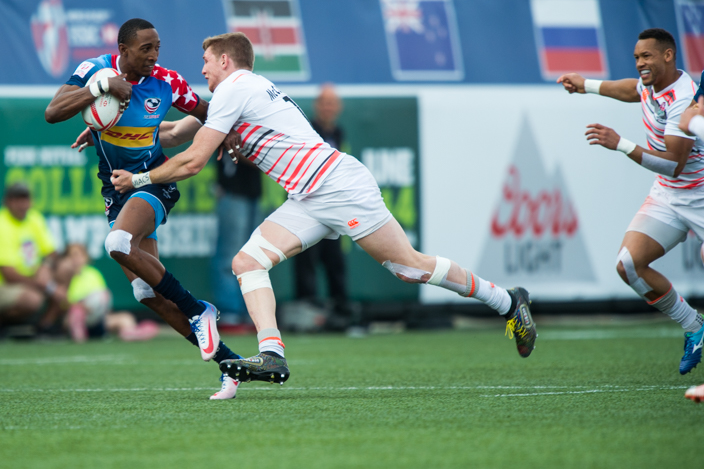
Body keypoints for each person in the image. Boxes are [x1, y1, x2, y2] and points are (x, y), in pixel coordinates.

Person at [110, 32, 536, 385]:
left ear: (225, 60)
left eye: (205, 61)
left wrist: (139, 180)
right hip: (309, 197)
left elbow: (192, 160)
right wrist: (105, 131)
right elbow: (168, 134)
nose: (200, 70)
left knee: (409, 268)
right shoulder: (235, 93)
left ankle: (506, 299)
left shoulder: (236, 87)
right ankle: (272, 355)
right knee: (247, 263)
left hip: (338, 187)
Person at [45, 18, 244, 399]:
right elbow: (53, 112)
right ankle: (229, 365)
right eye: (145, 49)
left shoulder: (166, 82)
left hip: (153, 181)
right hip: (116, 188)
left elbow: (205, 110)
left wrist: (228, 133)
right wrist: (99, 88)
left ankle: (199, 310)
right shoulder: (95, 70)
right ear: (122, 51)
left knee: (118, 242)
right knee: (147, 293)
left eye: (157, 48)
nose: (153, 56)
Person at [558, 28, 704, 375]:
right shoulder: (651, 84)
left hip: (699, 194)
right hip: (668, 194)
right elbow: (631, 89)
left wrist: (620, 143)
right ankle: (695, 327)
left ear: (668, 55)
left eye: (647, 57)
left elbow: (673, 162)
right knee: (628, 265)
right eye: (637, 57)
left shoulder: (683, 97)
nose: (640, 63)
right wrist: (587, 85)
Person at [0, 182, 75, 338]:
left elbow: (52, 253)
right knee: (33, 299)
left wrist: (45, 266)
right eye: (17, 200)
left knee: (67, 267)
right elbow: (8, 274)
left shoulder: (34, 219)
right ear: (6, 202)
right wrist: (47, 286)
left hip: (29, 281)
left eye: (25, 199)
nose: (22, 204)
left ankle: (46, 325)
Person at [293, 84, 352, 329]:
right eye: (324, 103)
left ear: (338, 108)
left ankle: (341, 309)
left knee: (334, 258)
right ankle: (308, 309)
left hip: (333, 207)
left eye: (332, 103)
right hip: (308, 203)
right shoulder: (308, 130)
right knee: (306, 256)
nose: (328, 108)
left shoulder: (339, 132)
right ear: (317, 106)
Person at [60, 244, 160, 343]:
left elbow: (102, 300)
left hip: (98, 319)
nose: (75, 259)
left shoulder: (93, 274)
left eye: (78, 255)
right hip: (76, 321)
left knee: (126, 318)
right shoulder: (65, 277)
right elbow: (63, 303)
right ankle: (79, 339)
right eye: (71, 256)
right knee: (76, 313)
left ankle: (130, 334)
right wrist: (81, 306)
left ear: (85, 257)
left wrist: (97, 309)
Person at [211, 144, 262, 333]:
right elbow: (249, 155)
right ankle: (229, 313)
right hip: (232, 192)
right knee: (229, 257)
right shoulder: (227, 121)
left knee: (254, 258)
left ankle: (251, 313)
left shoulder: (257, 121)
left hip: (253, 193)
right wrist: (266, 158)